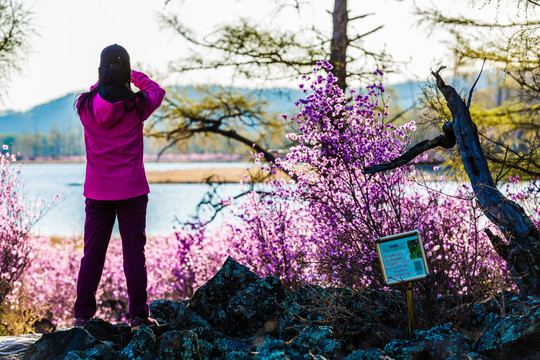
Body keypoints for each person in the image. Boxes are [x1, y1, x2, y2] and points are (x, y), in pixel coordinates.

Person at [73, 44, 165, 329]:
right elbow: (157, 91)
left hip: (97, 193)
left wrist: (108, 78)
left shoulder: (84, 105)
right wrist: (131, 76)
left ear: (100, 71)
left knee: (93, 254)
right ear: (125, 70)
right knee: (134, 253)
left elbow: (98, 89)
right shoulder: (136, 106)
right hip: (133, 191)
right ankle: (139, 316)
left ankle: (82, 317)